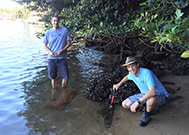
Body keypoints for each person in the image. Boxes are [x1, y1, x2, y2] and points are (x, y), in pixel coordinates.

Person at [113, 56, 169, 127]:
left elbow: (152, 92)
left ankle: (147, 114)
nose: (131, 69)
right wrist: (119, 84)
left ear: (137, 65)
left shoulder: (146, 73)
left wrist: (137, 102)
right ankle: (149, 106)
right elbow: (127, 77)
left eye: (132, 66)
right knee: (125, 104)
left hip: (160, 95)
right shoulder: (132, 73)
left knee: (151, 99)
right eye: (129, 67)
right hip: (144, 94)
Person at [43, 15, 71, 88]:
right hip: (51, 58)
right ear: (51, 22)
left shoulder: (65, 30)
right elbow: (45, 45)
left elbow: (68, 43)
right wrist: (49, 52)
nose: (56, 22)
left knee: (66, 77)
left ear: (59, 21)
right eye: (54, 21)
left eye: (57, 20)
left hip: (62, 58)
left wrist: (61, 51)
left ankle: (63, 90)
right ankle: (55, 92)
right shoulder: (48, 32)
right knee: (53, 77)